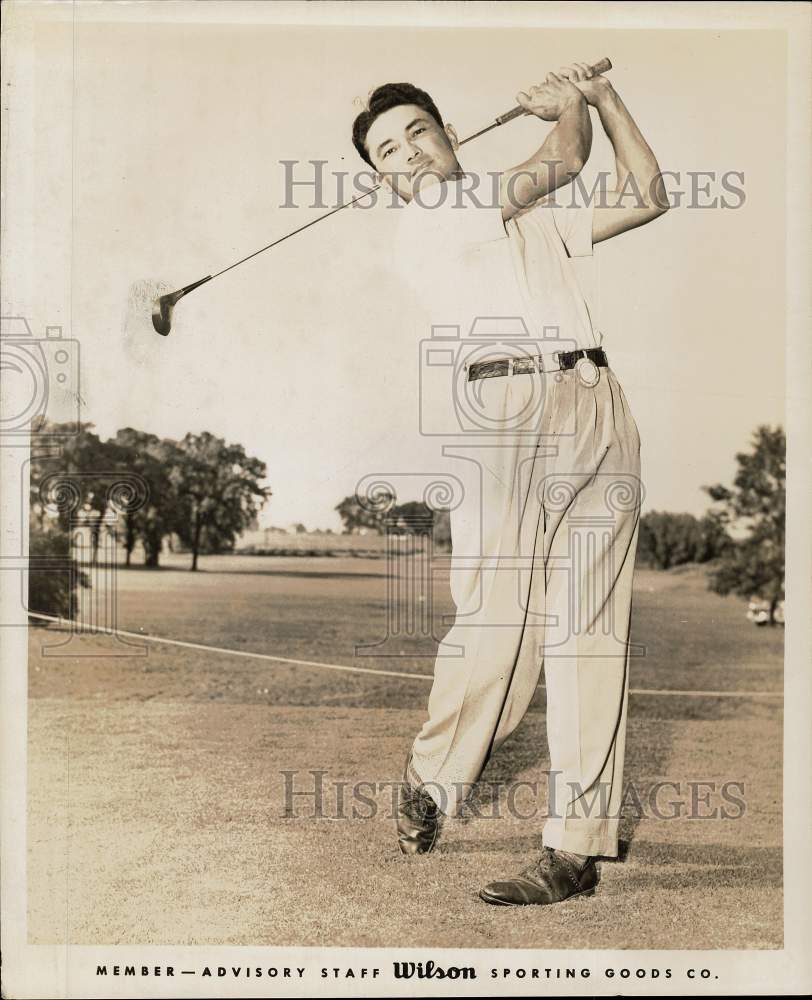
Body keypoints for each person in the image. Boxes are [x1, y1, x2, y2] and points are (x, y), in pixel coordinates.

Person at [351, 62, 668, 905]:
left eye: (419, 131)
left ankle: (574, 848)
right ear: (381, 178)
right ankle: (435, 776)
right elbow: (564, 157)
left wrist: (605, 96)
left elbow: (650, 191)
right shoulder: (428, 221)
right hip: (503, 408)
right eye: (388, 149)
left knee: (590, 631)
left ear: (451, 133)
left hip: (598, 400)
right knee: (498, 622)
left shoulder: (524, 218)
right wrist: (566, 109)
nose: (408, 152)